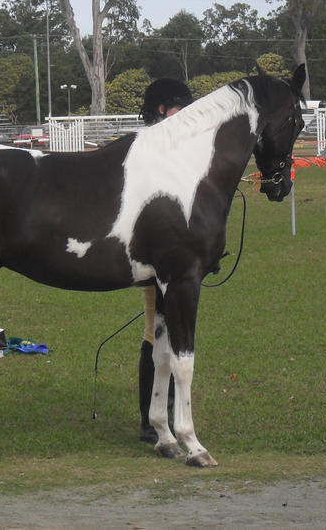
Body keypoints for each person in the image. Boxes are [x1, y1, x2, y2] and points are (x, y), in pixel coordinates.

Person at [136, 77, 194, 444]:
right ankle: (151, 418)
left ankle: (160, 414)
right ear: (162, 110)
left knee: (165, 331)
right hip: (154, 254)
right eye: (179, 106)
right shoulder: (152, 147)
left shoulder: (178, 144)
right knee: (156, 333)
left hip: (175, 251)